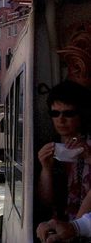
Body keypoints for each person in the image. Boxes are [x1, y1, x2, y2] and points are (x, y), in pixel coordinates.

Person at [37, 80, 91, 225]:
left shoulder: (88, 146)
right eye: (55, 113)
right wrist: (46, 168)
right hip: (61, 227)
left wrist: (89, 157)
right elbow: (46, 202)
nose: (61, 120)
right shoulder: (50, 147)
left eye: (68, 113)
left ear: (82, 115)